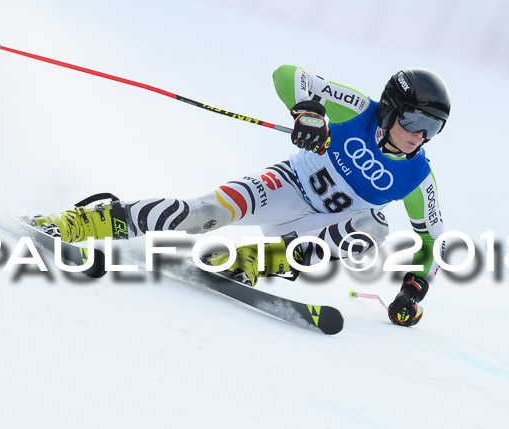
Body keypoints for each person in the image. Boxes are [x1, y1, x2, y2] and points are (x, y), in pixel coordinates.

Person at [33, 65, 451, 327]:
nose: (418, 135)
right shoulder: (358, 108)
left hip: (316, 231)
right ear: (391, 108)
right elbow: (289, 75)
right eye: (413, 119)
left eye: (431, 128)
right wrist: (308, 111)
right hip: (287, 186)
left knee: (373, 227)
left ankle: (255, 261)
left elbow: (433, 241)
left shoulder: (418, 177)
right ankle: (88, 221)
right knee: (202, 213)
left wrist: (412, 291)